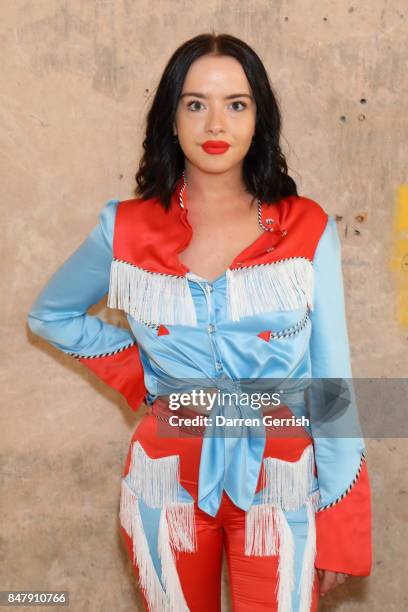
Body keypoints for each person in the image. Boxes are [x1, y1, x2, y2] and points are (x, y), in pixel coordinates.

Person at [27, 33, 372, 611]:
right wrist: (147, 378)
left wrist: (342, 524)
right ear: (171, 117)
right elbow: (51, 315)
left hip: (282, 476)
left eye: (236, 104)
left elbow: (331, 381)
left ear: (260, 118)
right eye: (195, 104)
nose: (216, 123)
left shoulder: (306, 226)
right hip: (165, 473)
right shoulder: (125, 228)